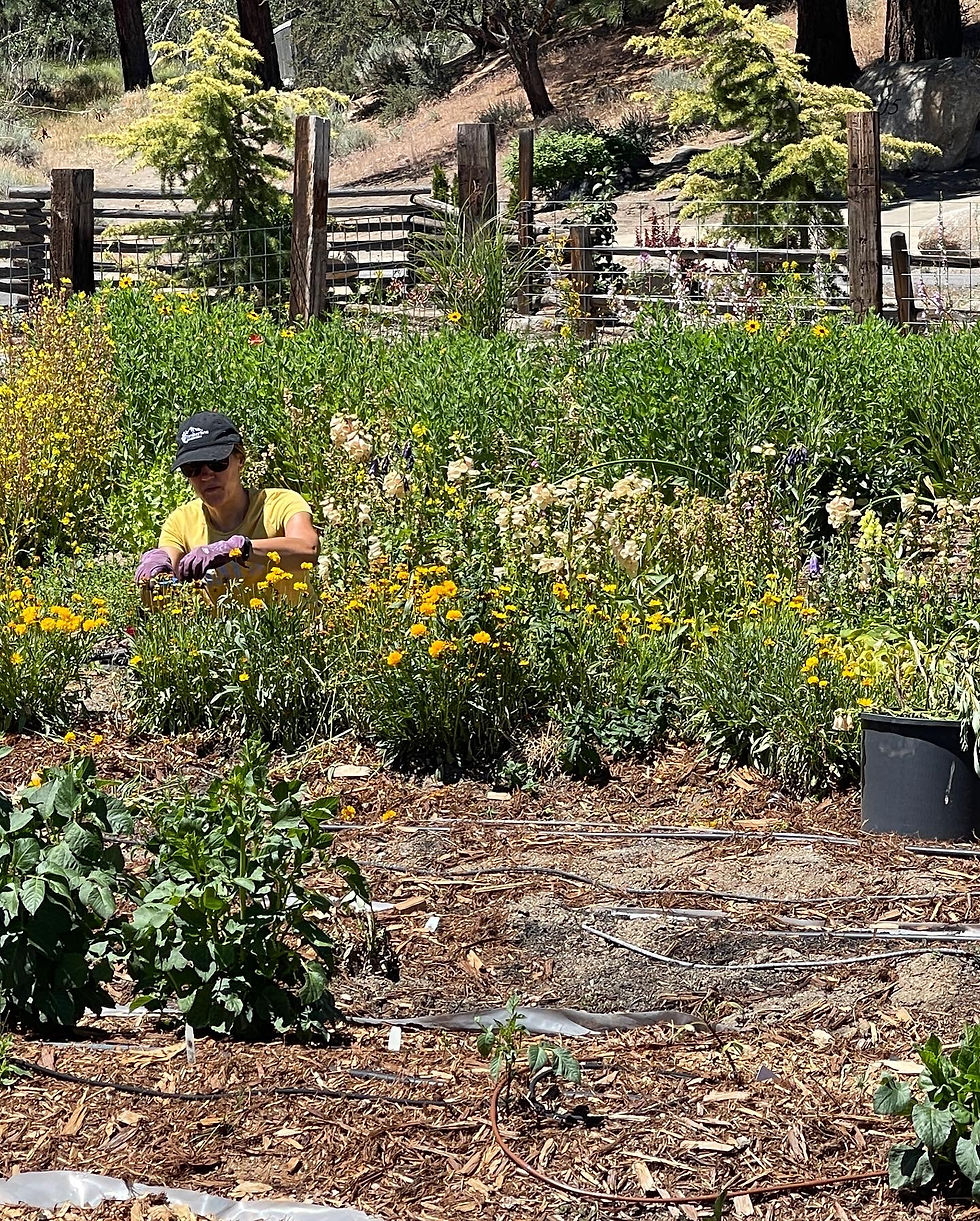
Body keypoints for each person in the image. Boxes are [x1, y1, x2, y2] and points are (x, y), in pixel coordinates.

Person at [135, 411, 319, 600]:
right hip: (219, 630)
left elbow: (308, 550)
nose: (206, 476)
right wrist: (156, 567)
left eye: (216, 463)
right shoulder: (181, 522)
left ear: (240, 459)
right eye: (193, 468)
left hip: (289, 627)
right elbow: (168, 564)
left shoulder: (280, 504)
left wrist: (240, 548)